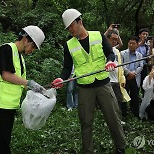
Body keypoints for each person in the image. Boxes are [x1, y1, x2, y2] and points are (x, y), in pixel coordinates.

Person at [52, 9, 126, 154]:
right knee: (86, 122)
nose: (70, 30)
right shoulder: (69, 45)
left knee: (113, 117)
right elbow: (67, 67)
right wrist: (62, 78)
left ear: (79, 22)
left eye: (71, 26)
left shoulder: (98, 35)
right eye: (67, 28)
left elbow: (110, 53)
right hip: (84, 88)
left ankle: (121, 147)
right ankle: (87, 150)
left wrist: (110, 61)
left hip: (103, 84)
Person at [0, 25, 45, 154]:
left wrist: (40, 89)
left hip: (9, 106)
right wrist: (29, 83)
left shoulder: (20, 58)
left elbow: (22, 82)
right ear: (26, 39)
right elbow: (6, 75)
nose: (32, 50)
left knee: (2, 140)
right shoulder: (5, 49)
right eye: (33, 46)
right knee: (3, 141)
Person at [106, 30, 130, 118]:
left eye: (116, 39)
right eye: (113, 39)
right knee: (108, 103)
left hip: (116, 80)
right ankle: (109, 120)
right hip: (107, 80)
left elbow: (120, 67)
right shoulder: (102, 49)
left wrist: (122, 78)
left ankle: (117, 119)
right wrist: (109, 29)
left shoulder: (116, 51)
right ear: (107, 39)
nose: (115, 41)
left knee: (119, 100)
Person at [121, 36, 143, 117]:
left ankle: (135, 112)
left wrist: (134, 74)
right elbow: (121, 65)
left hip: (135, 77)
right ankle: (124, 113)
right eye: (130, 43)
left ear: (137, 45)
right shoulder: (122, 53)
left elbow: (141, 66)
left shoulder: (139, 55)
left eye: (133, 43)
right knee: (124, 95)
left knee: (135, 95)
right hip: (126, 77)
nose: (131, 45)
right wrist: (128, 73)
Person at [136, 28, 150, 97]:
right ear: (139, 35)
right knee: (136, 85)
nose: (145, 36)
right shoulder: (136, 43)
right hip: (136, 67)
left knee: (144, 84)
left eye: (147, 34)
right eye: (143, 34)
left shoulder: (147, 46)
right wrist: (141, 42)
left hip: (144, 67)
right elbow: (133, 49)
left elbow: (149, 56)